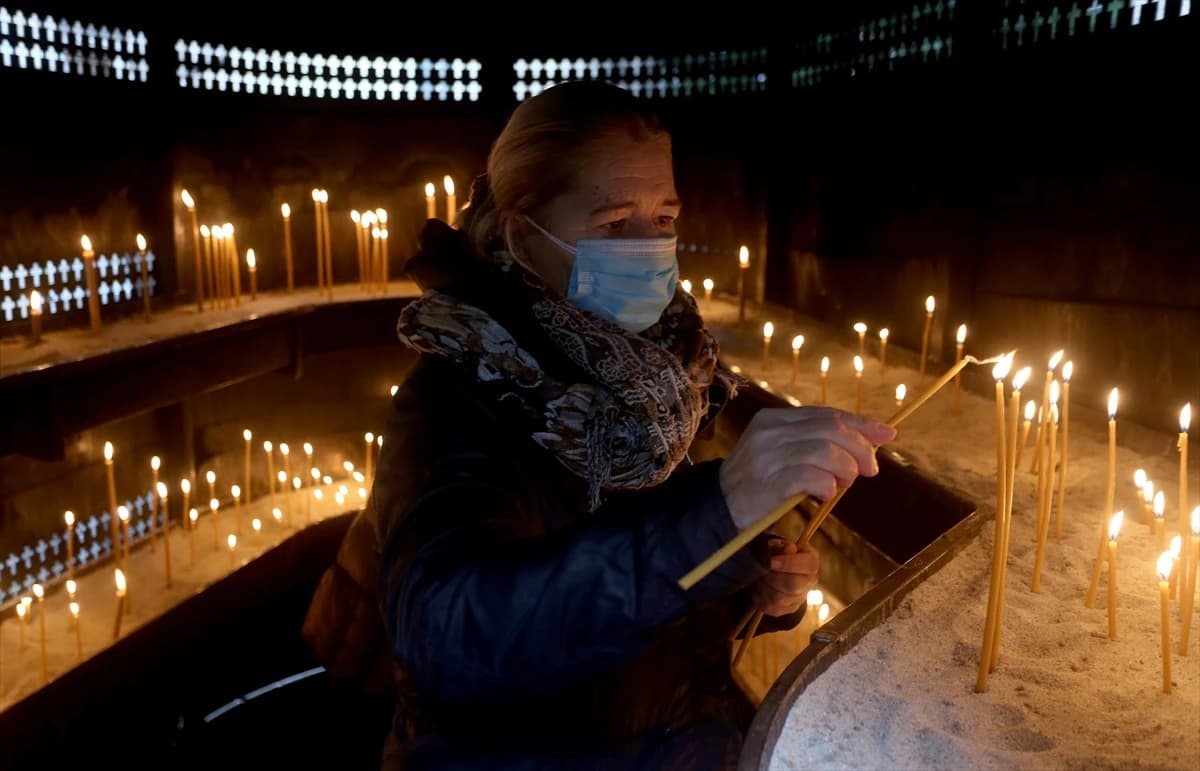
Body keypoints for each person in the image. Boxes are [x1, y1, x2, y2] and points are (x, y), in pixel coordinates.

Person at [304, 80, 894, 770]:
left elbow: (641, 603)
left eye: (665, 218)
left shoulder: (664, 378)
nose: (650, 248)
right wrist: (715, 510)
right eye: (615, 223)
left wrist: (751, 585)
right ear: (526, 235)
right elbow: (449, 631)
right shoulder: (456, 397)